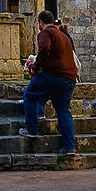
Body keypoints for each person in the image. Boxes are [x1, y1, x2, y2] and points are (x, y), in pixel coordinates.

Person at [21, 10, 79, 155]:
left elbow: (44, 49)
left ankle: (31, 129)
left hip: (53, 74)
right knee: (63, 111)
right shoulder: (64, 36)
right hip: (69, 76)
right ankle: (69, 146)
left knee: (29, 95)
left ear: (41, 22)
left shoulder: (45, 33)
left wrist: (35, 67)